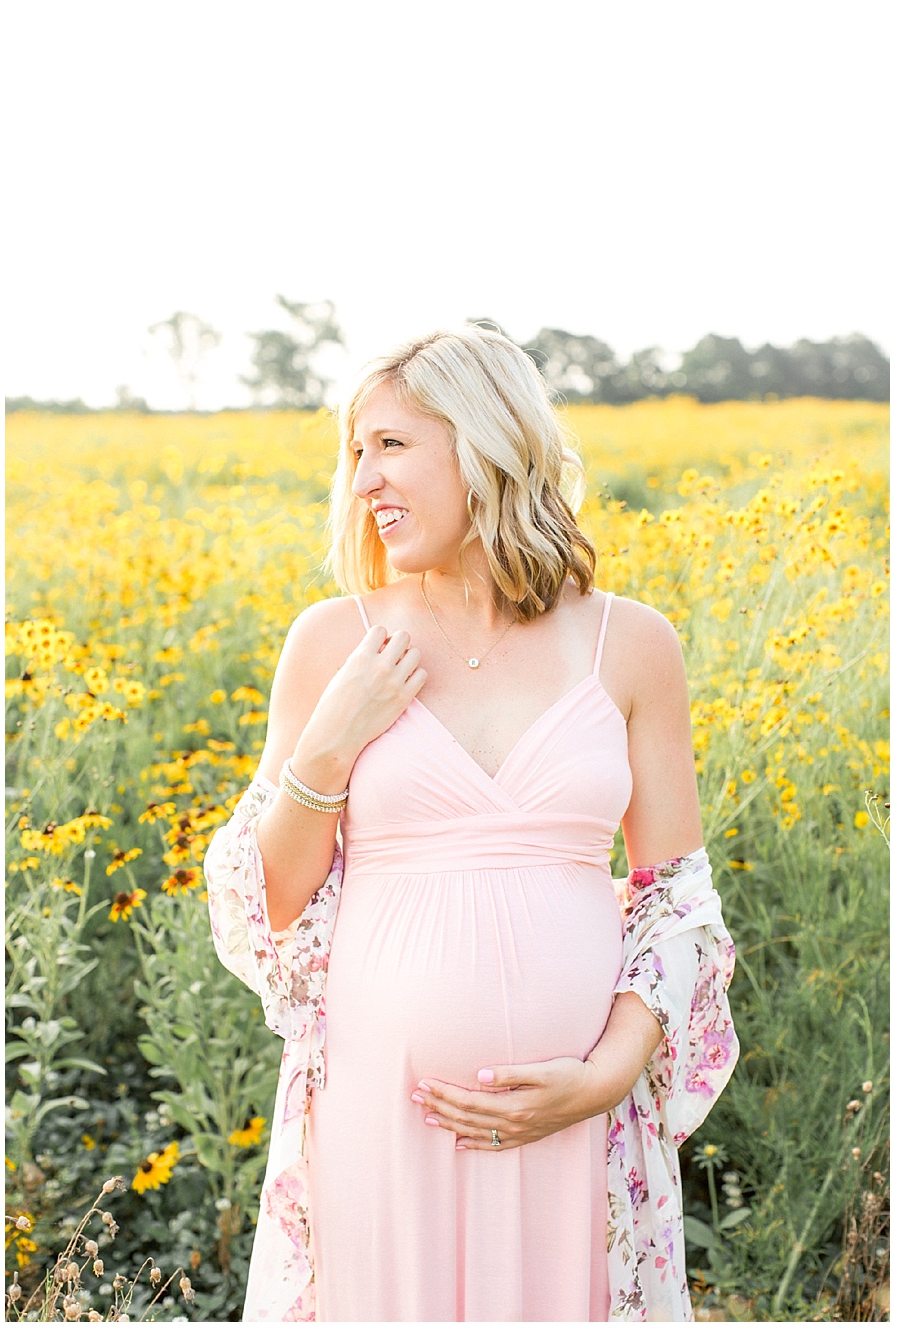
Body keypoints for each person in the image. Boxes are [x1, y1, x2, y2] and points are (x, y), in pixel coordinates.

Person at [205, 327, 738, 1321]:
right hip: (382, 1121)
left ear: (484, 444)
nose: (363, 480)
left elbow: (678, 906)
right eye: (354, 453)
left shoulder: (632, 645)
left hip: (579, 1122)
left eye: (390, 446)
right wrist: (328, 748)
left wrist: (604, 1076)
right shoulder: (333, 642)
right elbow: (267, 901)